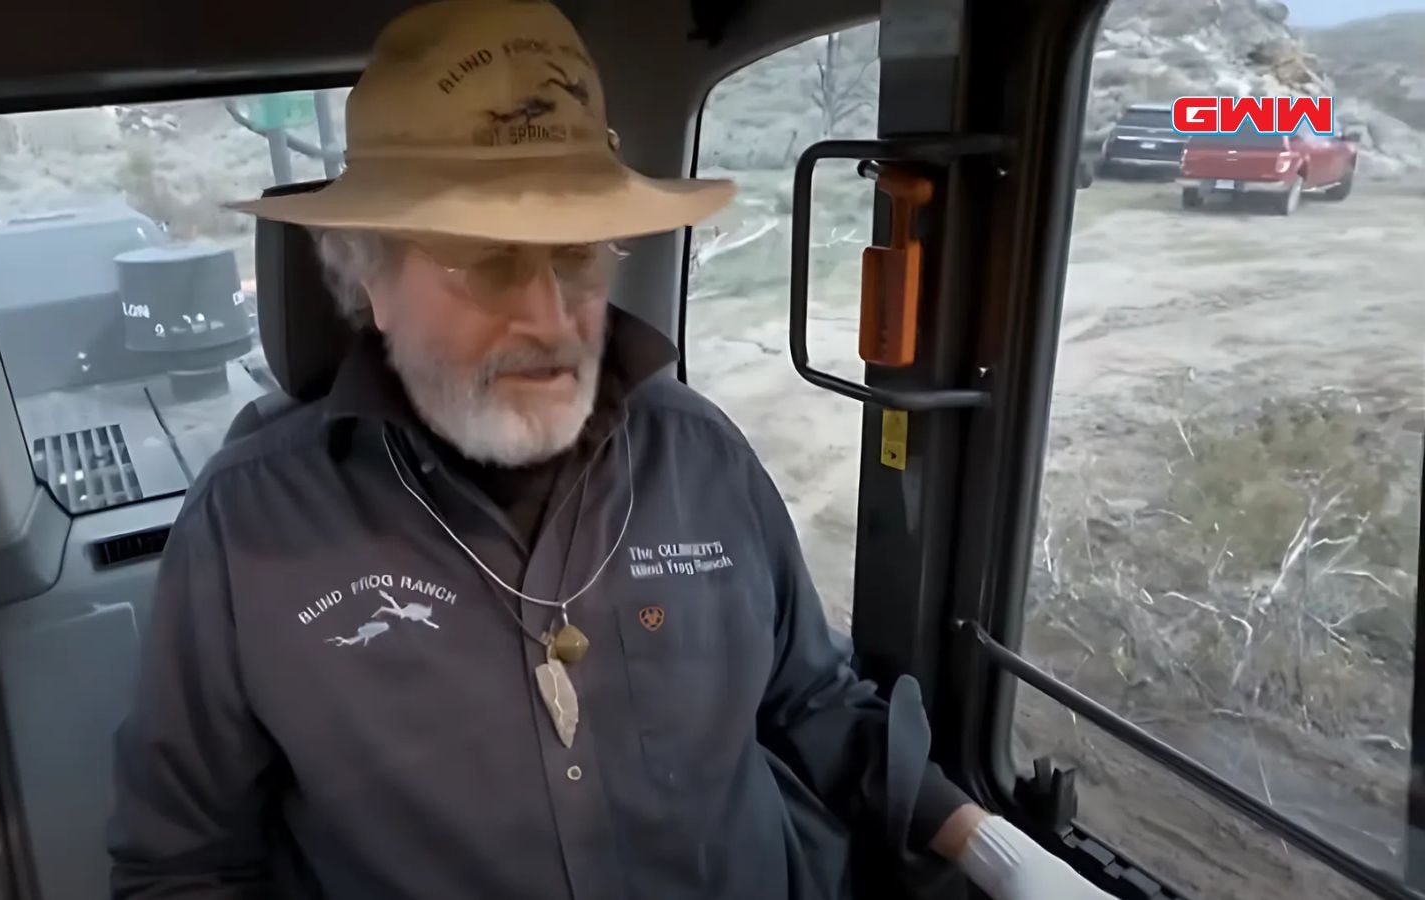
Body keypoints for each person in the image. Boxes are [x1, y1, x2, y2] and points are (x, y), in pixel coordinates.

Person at [107, 2, 1117, 898]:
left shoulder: (700, 457)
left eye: (578, 255)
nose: (549, 317)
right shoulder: (252, 526)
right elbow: (184, 865)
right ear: (368, 276)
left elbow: (812, 704)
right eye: (485, 261)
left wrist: (996, 853)